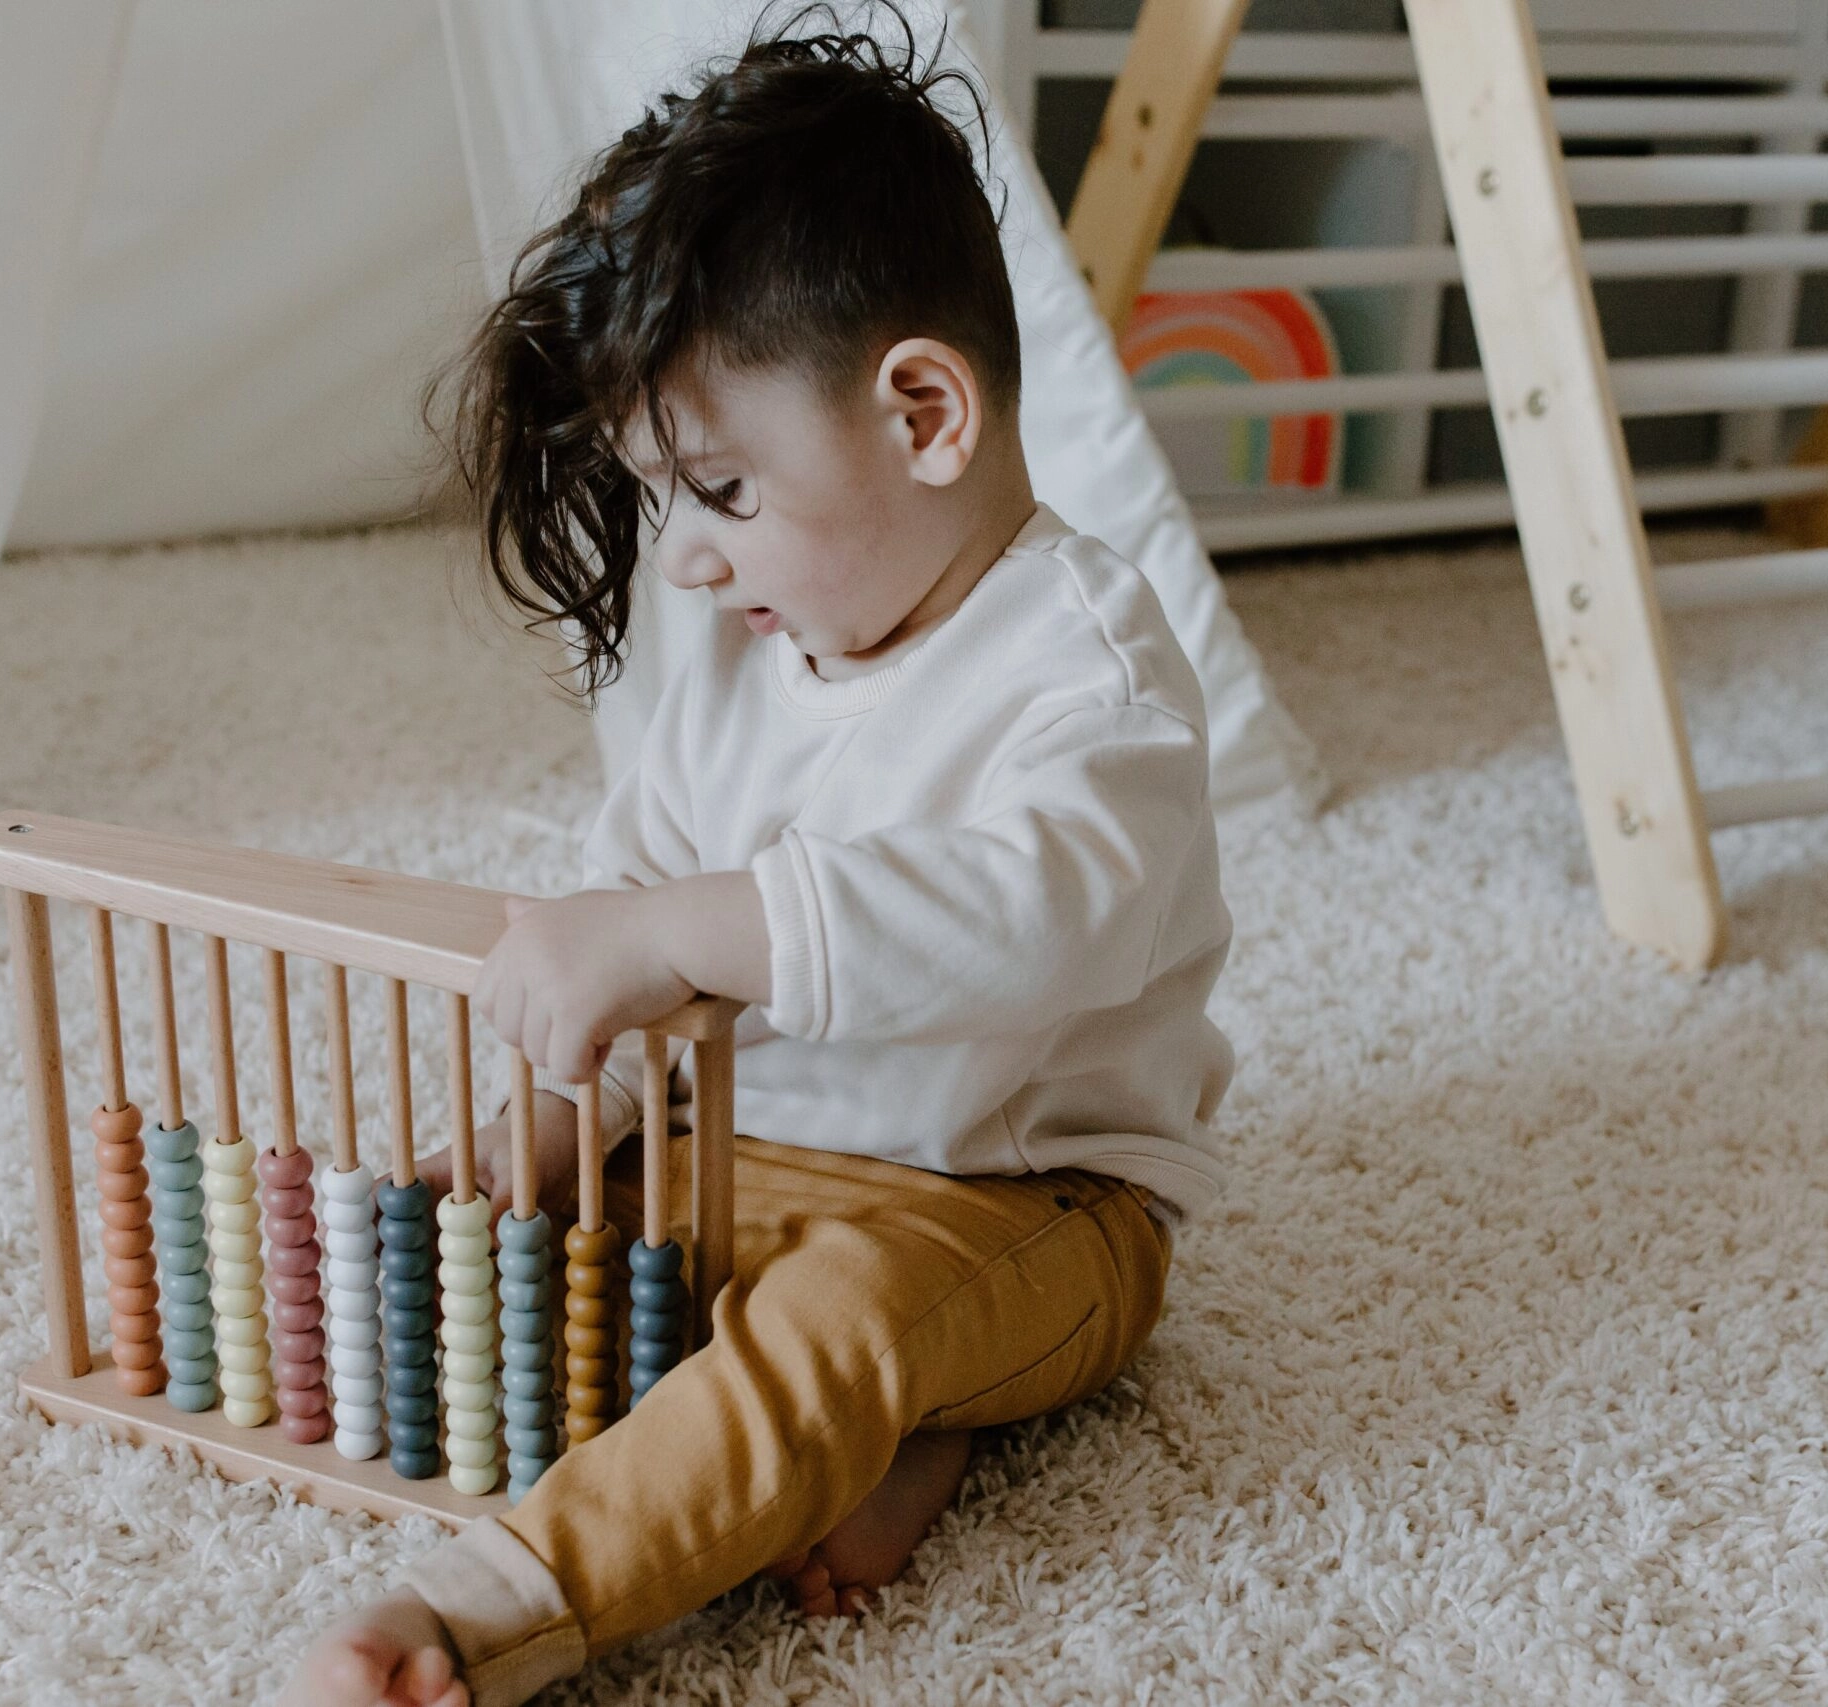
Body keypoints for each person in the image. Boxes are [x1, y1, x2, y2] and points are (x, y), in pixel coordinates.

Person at [280, 10, 1232, 1703]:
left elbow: (1035, 919)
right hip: (751, 1164)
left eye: (722, 486)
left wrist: (690, 925)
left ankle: (483, 1607)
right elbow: (640, 932)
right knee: (531, 1251)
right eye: (673, 500)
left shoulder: (1086, 668)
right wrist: (557, 1124)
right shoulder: (726, 650)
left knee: (848, 1317)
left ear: (926, 410)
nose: (697, 563)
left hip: (1019, 1204)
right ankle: (888, 1435)